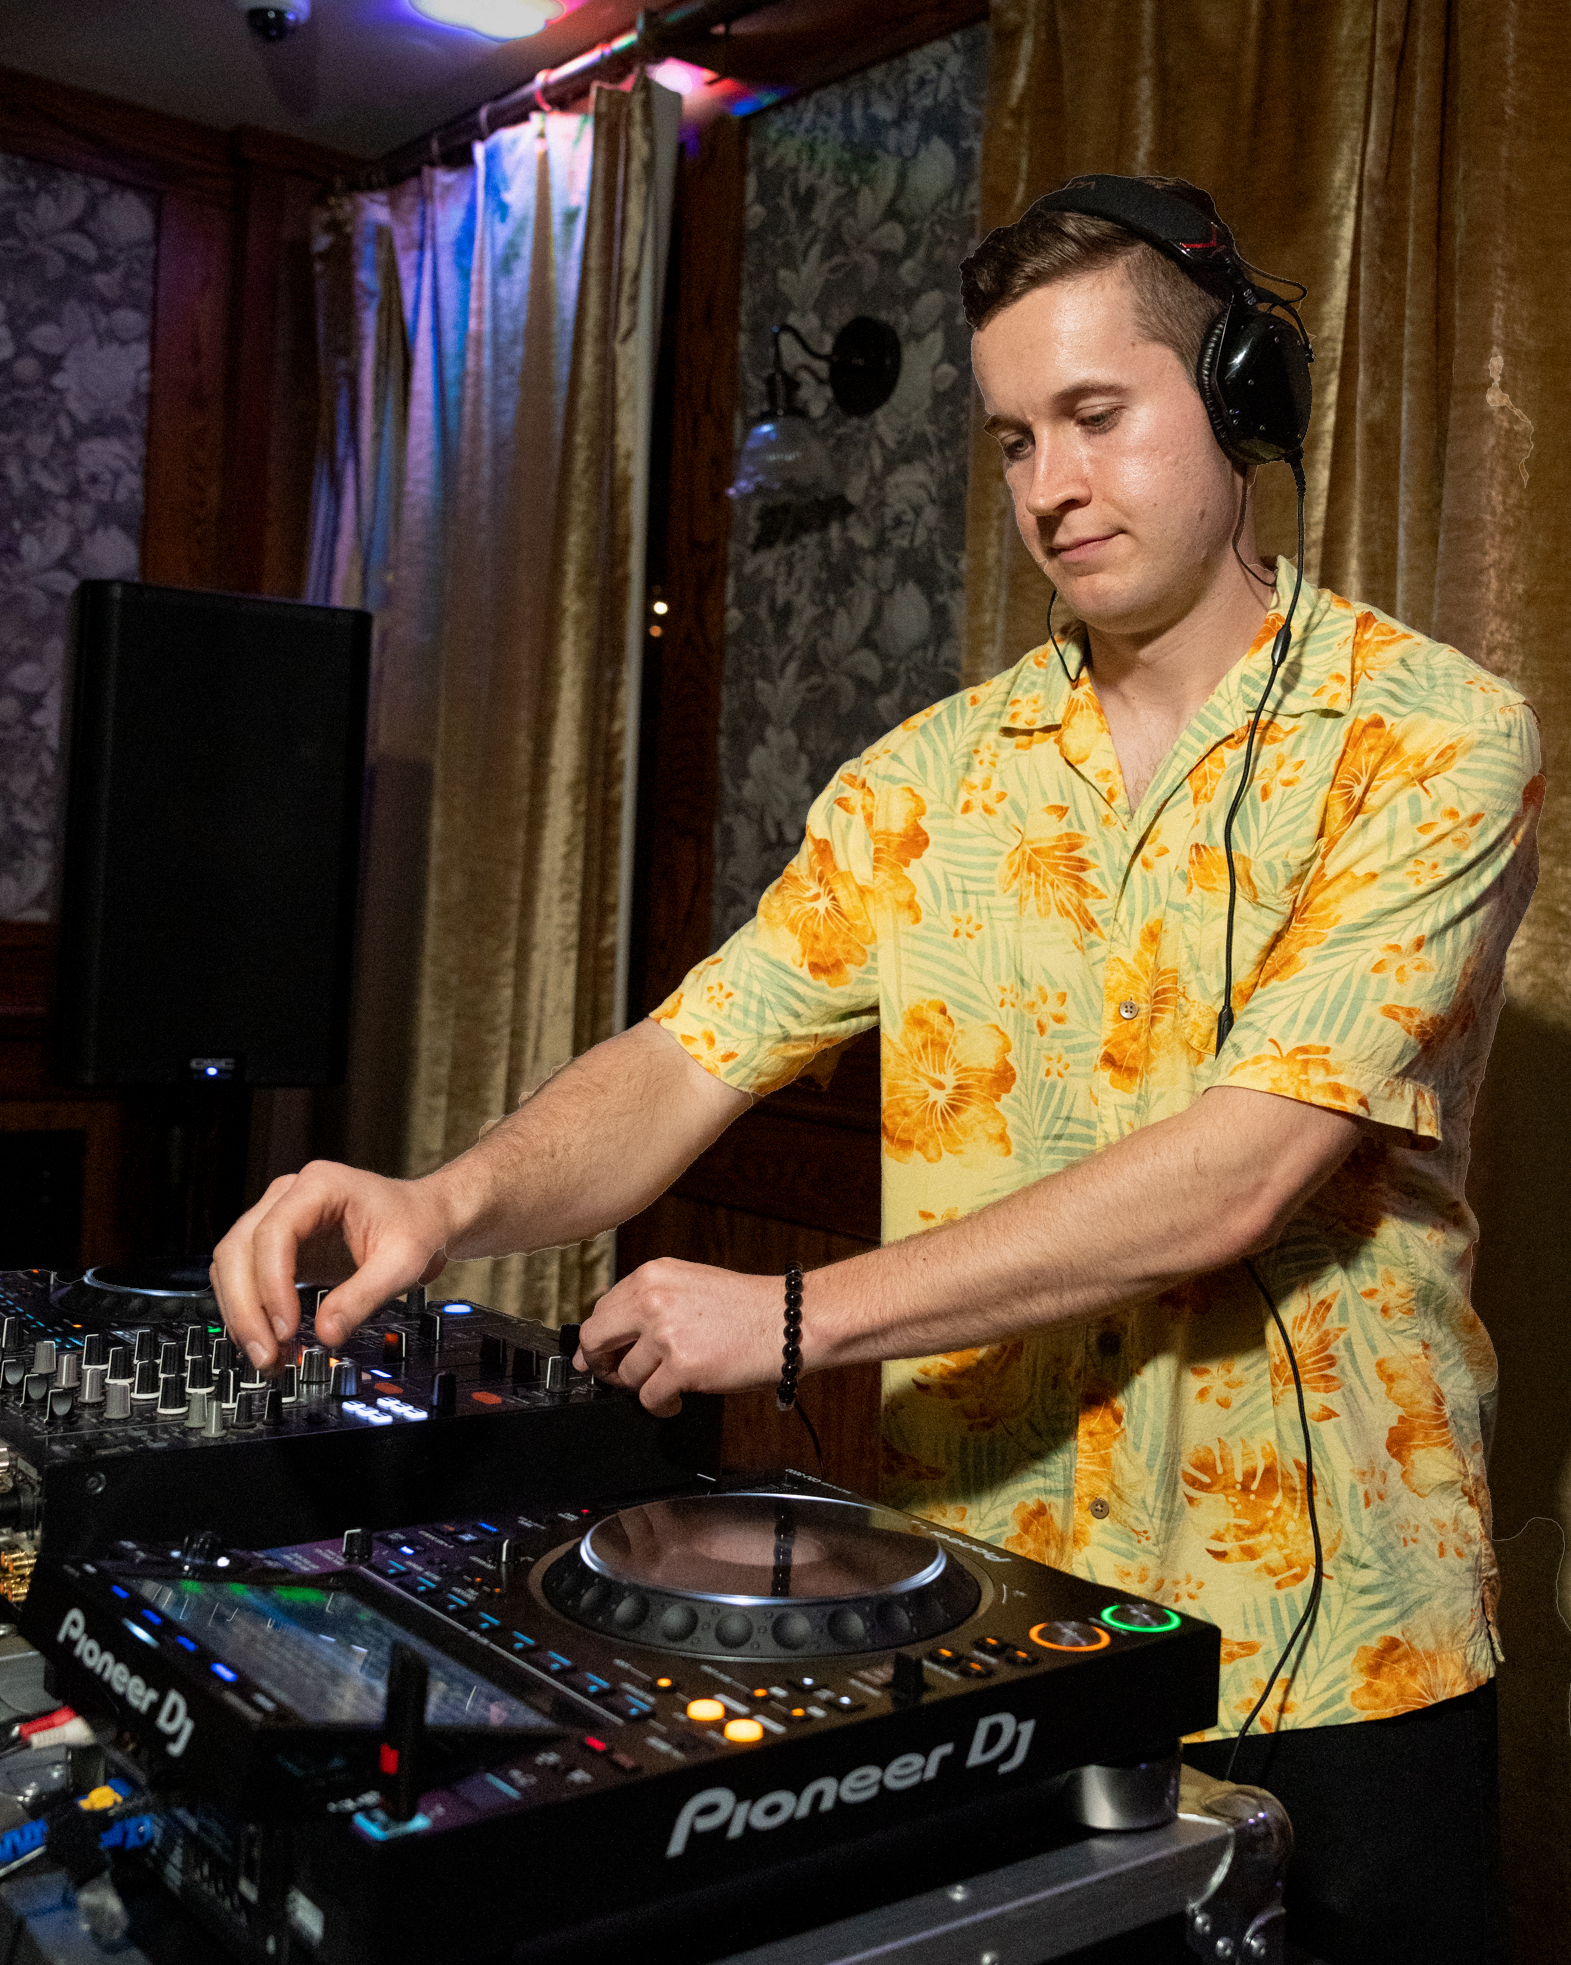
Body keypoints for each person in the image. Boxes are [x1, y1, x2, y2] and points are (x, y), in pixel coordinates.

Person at [211, 176, 1538, 1964]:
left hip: (1338, 1636)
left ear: (1232, 398)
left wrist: (785, 1317)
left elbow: (1237, 1173)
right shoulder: (924, 781)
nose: (1047, 486)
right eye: (1008, 441)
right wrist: (443, 1199)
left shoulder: (1435, 735)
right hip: (974, 1611)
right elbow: (692, 1051)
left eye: (1094, 416)